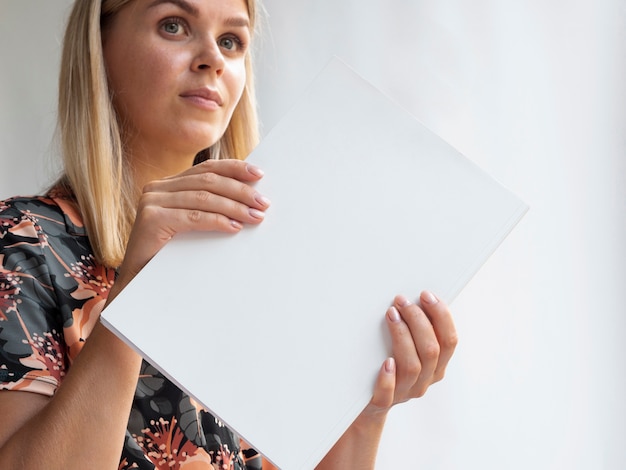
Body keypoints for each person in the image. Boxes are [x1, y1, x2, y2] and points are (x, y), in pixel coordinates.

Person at [0, 0, 458, 468]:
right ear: (99, 45)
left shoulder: (267, 274)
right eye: (174, 25)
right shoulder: (22, 242)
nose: (213, 59)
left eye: (231, 41)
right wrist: (135, 294)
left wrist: (366, 410)